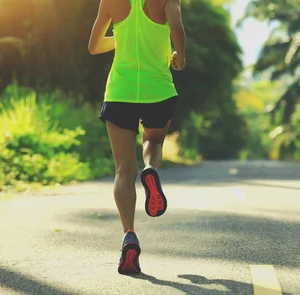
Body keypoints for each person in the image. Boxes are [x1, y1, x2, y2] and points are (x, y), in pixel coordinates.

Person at [88, 0, 186, 275]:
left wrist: (120, 37)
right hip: (159, 91)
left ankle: (129, 234)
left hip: (120, 92)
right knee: (153, 142)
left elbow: (94, 46)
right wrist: (180, 55)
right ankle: (151, 170)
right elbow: (177, 28)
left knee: (122, 169)